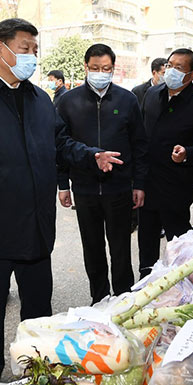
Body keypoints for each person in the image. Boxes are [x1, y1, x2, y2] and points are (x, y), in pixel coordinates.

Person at [0, 18, 122, 380]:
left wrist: (90, 155)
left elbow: (60, 144)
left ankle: (36, 373)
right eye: (25, 49)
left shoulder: (38, 99)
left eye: (35, 50)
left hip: (36, 226)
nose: (32, 57)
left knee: (38, 309)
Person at [55, 43, 148, 304]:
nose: (100, 73)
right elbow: (60, 146)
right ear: (86, 67)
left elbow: (139, 145)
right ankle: (99, 299)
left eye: (105, 68)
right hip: (84, 189)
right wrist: (63, 184)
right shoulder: (68, 101)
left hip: (119, 188)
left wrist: (138, 184)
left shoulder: (127, 99)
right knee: (92, 249)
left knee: (120, 248)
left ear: (113, 69)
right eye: (95, 68)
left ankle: (122, 299)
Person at [138, 49, 193, 277]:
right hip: (147, 183)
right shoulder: (152, 94)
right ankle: (145, 280)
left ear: (191, 75)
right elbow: (139, 135)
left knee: (179, 246)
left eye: (179, 67)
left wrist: (187, 153)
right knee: (146, 242)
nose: (171, 71)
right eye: (170, 65)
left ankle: (181, 286)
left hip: (176, 187)